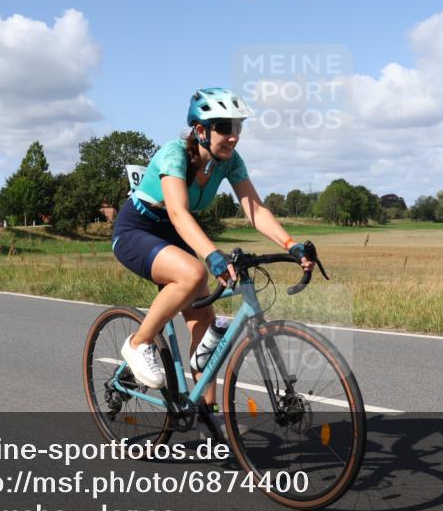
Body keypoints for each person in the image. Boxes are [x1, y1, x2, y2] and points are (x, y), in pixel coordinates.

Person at [111, 87, 314, 416]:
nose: (233, 136)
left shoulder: (229, 162)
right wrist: (210, 255)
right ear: (201, 130)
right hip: (138, 231)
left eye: (237, 127)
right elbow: (178, 212)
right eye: (224, 127)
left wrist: (291, 244)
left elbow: (255, 211)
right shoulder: (174, 155)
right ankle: (138, 344)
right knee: (193, 273)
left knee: (205, 333)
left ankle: (207, 418)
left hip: (177, 235)